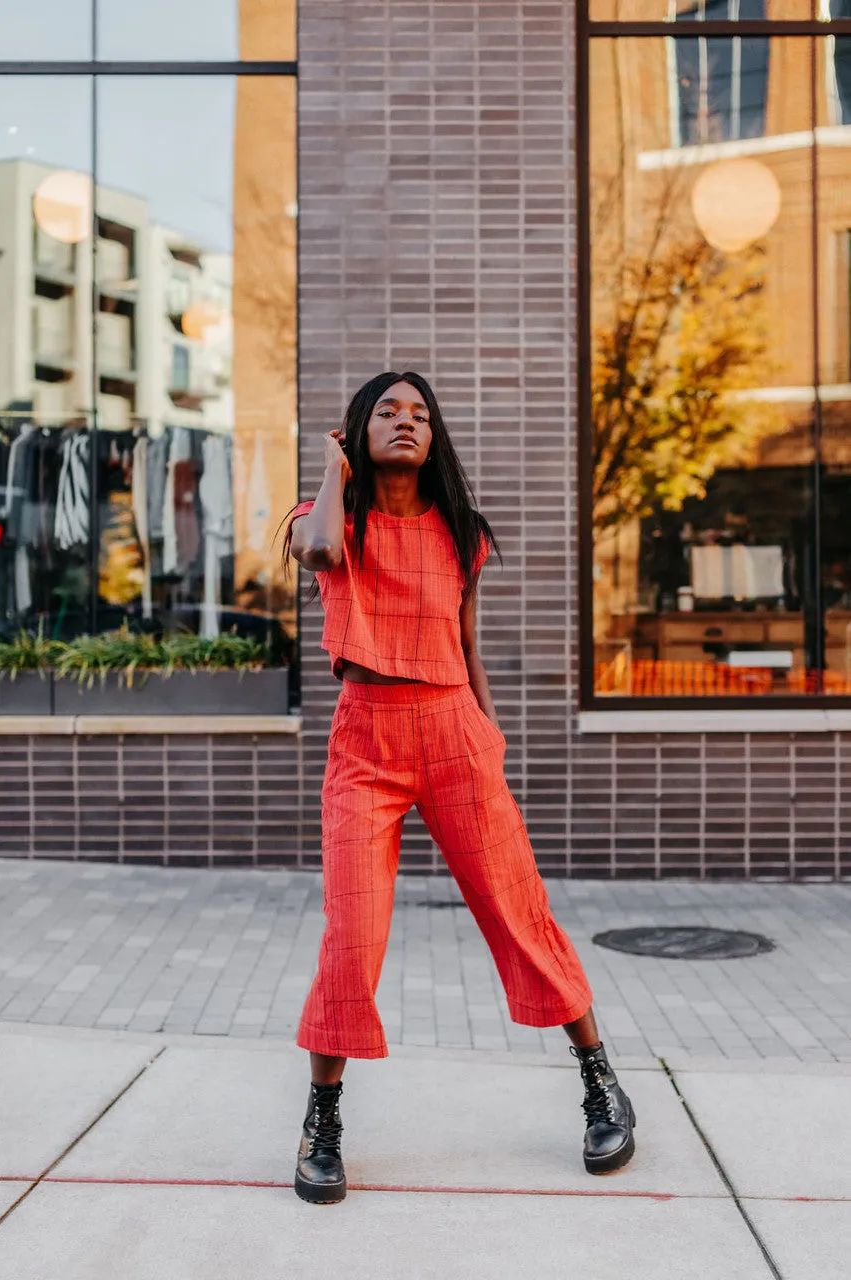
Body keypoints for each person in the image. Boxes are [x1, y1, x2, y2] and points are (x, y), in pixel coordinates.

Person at [281, 371, 635, 1205]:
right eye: (385, 412)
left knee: (519, 909)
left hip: (453, 732)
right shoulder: (326, 516)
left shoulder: (460, 532)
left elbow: (466, 640)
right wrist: (332, 473)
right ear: (355, 431)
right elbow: (320, 553)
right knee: (353, 935)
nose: (405, 423)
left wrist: (488, 731)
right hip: (364, 737)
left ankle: (600, 1082)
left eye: (420, 415)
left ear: (434, 438)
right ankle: (321, 1123)